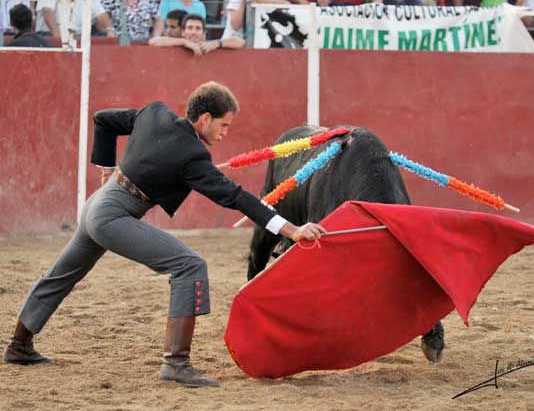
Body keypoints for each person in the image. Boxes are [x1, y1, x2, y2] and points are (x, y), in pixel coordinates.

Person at [2, 81, 326, 388]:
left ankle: (19, 345)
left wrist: (105, 169)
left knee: (61, 275)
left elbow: (104, 120)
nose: (226, 133)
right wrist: (291, 229)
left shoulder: (154, 112)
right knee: (190, 265)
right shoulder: (193, 156)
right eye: (224, 125)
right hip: (113, 215)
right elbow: (236, 197)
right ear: (205, 118)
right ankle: (176, 363)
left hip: (97, 206)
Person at [149, 14, 245, 54]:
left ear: (204, 33)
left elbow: (240, 42)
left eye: (198, 28)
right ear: (183, 32)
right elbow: (153, 42)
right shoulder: (176, 43)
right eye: (190, 28)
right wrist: (184, 42)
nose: (194, 32)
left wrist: (217, 43)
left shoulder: (210, 45)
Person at [35, 0, 115, 38]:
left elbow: (101, 14)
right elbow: (47, 10)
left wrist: (109, 30)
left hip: (77, 37)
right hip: (49, 35)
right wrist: (58, 36)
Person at [99, 0, 164, 42]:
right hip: (117, 43)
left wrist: (155, 37)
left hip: (143, 43)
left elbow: (158, 19)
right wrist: (109, 31)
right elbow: (100, 18)